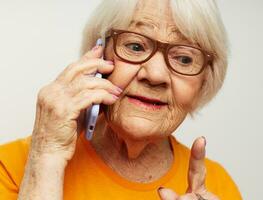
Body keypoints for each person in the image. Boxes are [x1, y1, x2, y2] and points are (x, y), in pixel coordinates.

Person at [0, 0, 242, 199]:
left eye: (184, 59)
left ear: (204, 82)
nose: (155, 75)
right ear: (98, 54)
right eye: (135, 46)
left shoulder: (217, 187)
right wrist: (46, 158)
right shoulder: (12, 167)